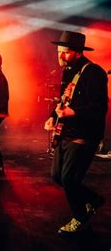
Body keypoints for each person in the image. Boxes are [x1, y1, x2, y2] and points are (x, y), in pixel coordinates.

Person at [44, 30, 108, 236]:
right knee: (57, 176)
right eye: (59, 51)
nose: (61, 56)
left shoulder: (93, 72)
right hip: (66, 133)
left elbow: (100, 107)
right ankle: (93, 199)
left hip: (84, 135)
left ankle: (80, 219)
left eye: (66, 52)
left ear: (78, 52)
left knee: (69, 180)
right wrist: (52, 118)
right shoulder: (69, 71)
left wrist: (74, 112)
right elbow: (64, 100)